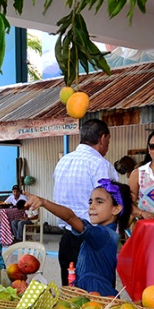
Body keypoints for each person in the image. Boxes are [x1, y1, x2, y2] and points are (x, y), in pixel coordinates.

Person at [25, 179, 132, 296]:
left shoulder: (103, 235)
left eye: (99, 202)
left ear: (116, 209)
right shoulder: (102, 233)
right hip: (93, 294)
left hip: (96, 297)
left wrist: (44, 202)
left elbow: (70, 217)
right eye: (90, 202)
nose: (92, 206)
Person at [52, 119, 118, 285]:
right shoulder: (99, 164)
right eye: (108, 142)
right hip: (91, 239)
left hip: (66, 238)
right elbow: (110, 202)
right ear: (102, 138)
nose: (107, 146)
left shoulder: (63, 161)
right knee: (97, 299)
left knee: (70, 297)